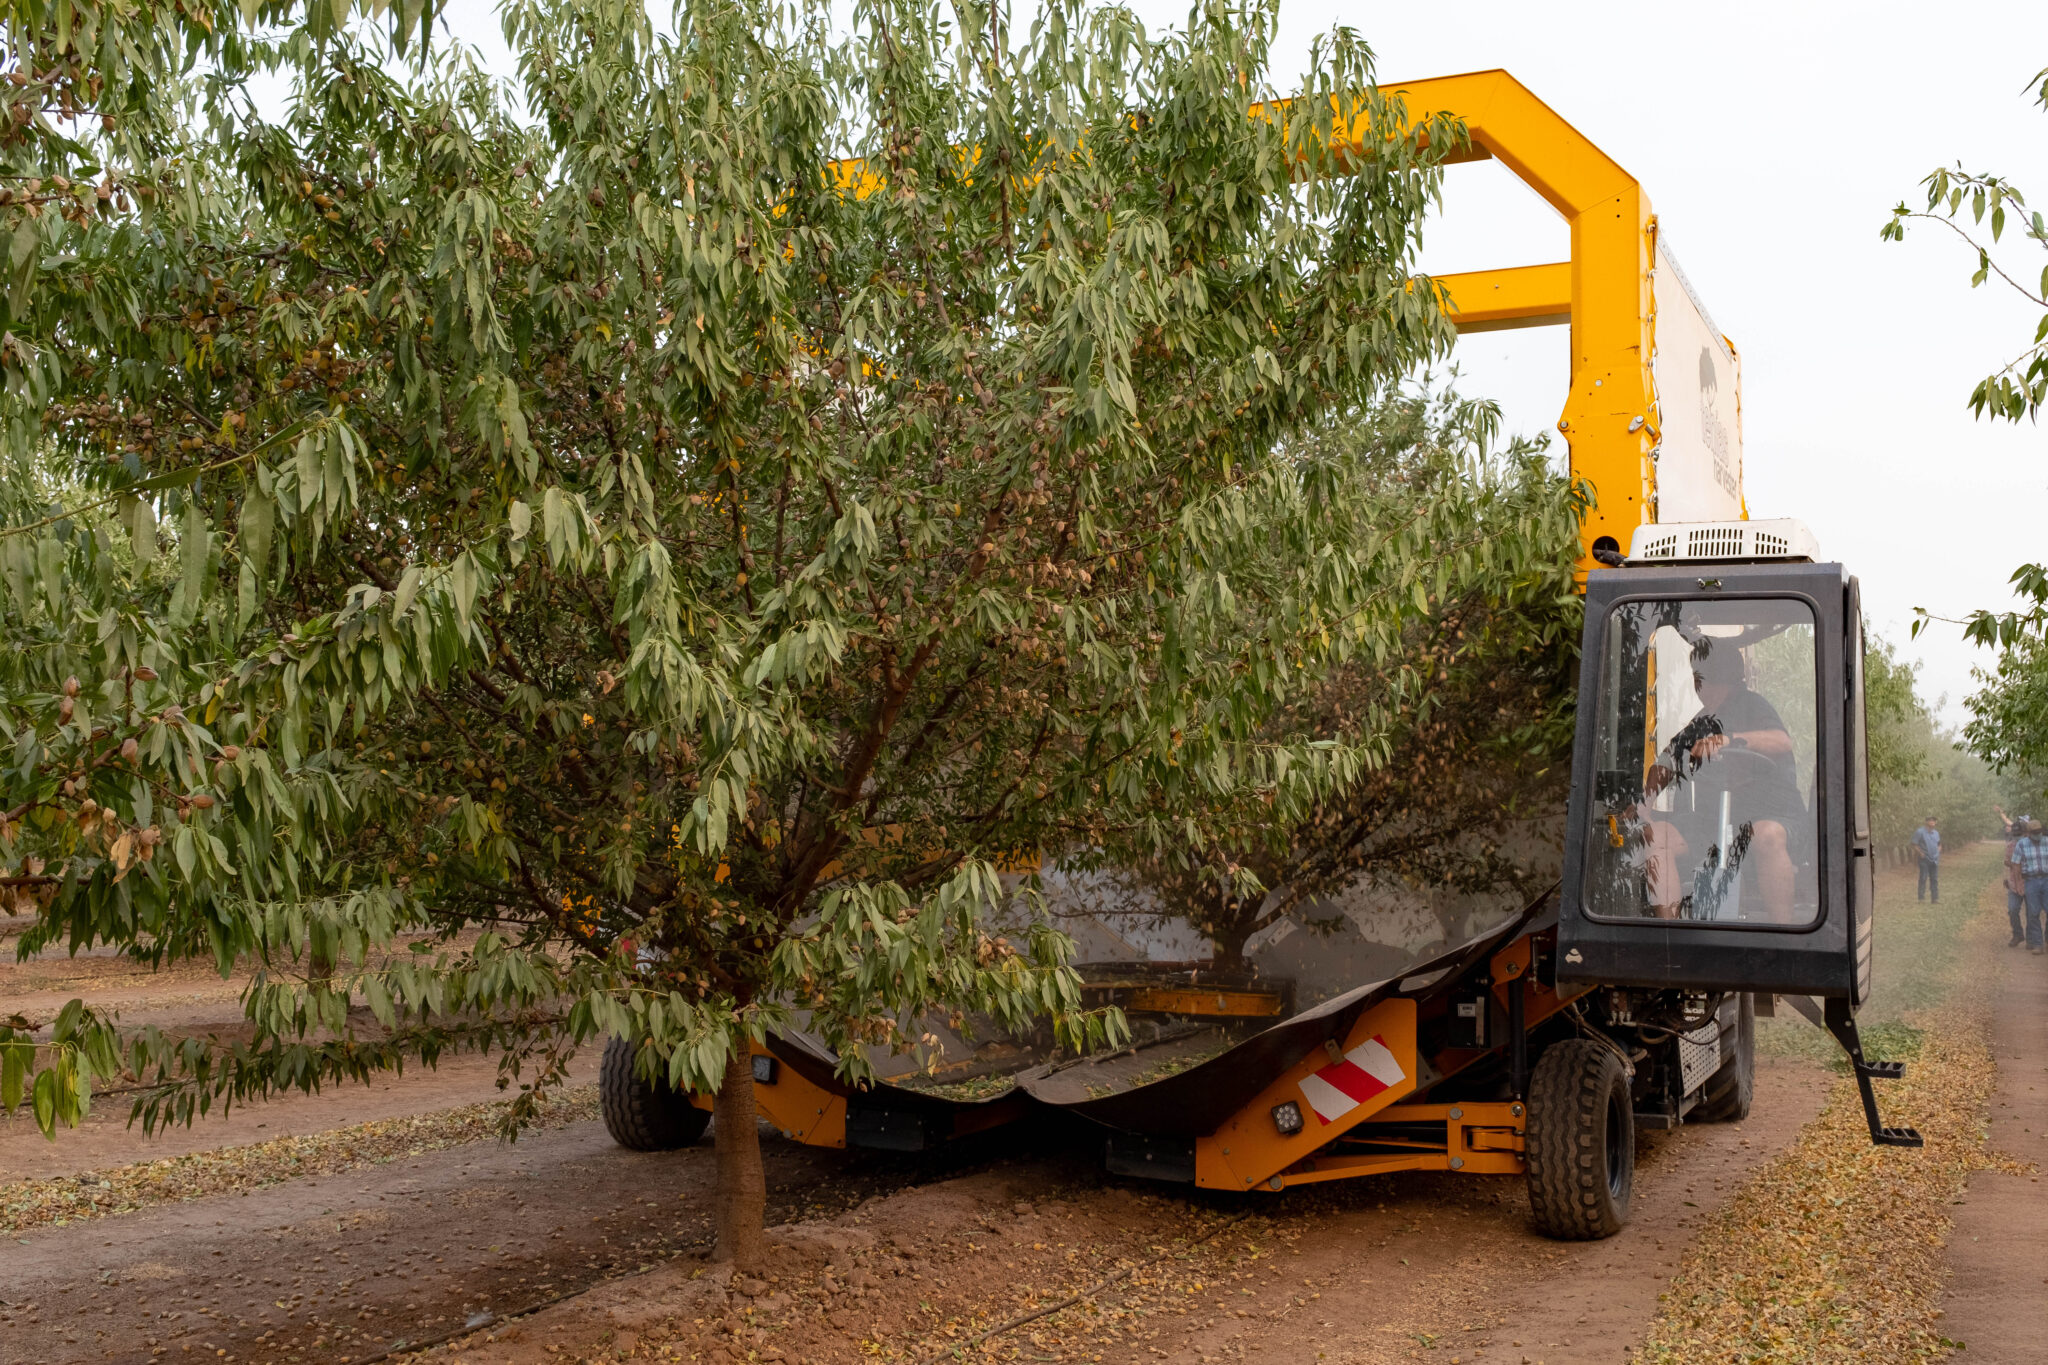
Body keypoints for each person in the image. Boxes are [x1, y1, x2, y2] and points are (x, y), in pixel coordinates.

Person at [1638, 639, 1802, 922]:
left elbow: (1781, 741)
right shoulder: (1701, 720)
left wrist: (1731, 740)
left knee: (1767, 835)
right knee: (1654, 837)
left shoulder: (1755, 706)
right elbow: (1667, 762)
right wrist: (1644, 804)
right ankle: (1671, 941)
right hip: (1712, 822)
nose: (1696, 688)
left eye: (1698, 680)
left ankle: (1785, 942)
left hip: (1768, 814)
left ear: (1716, 680)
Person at [2017, 819, 2048, 955]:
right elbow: (2016, 864)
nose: (2037, 835)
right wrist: (2019, 883)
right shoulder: (2022, 844)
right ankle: (2038, 944)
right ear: (2028, 833)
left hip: (2046, 879)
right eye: (2034, 833)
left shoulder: (2046, 841)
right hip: (2031, 881)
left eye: (2039, 832)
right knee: (2033, 913)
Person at [2005, 814, 2029, 947]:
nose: (2017, 837)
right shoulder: (2010, 846)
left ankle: (2032, 939)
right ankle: (2018, 934)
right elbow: (2007, 862)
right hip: (2014, 883)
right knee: (2013, 910)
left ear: (2025, 833)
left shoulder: (2032, 845)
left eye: (2019, 834)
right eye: (2015, 834)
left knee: (2032, 912)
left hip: (2029, 883)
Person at [1911, 816, 1941, 903]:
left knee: (1934, 879)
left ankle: (1935, 898)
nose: (1932, 822)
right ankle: (1921, 898)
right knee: (1923, 878)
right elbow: (1914, 844)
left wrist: (1937, 852)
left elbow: (1939, 844)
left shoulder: (1936, 833)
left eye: (1934, 821)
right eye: (1930, 821)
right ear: (1926, 822)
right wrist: (1920, 853)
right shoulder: (1920, 832)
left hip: (1934, 859)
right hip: (1924, 859)